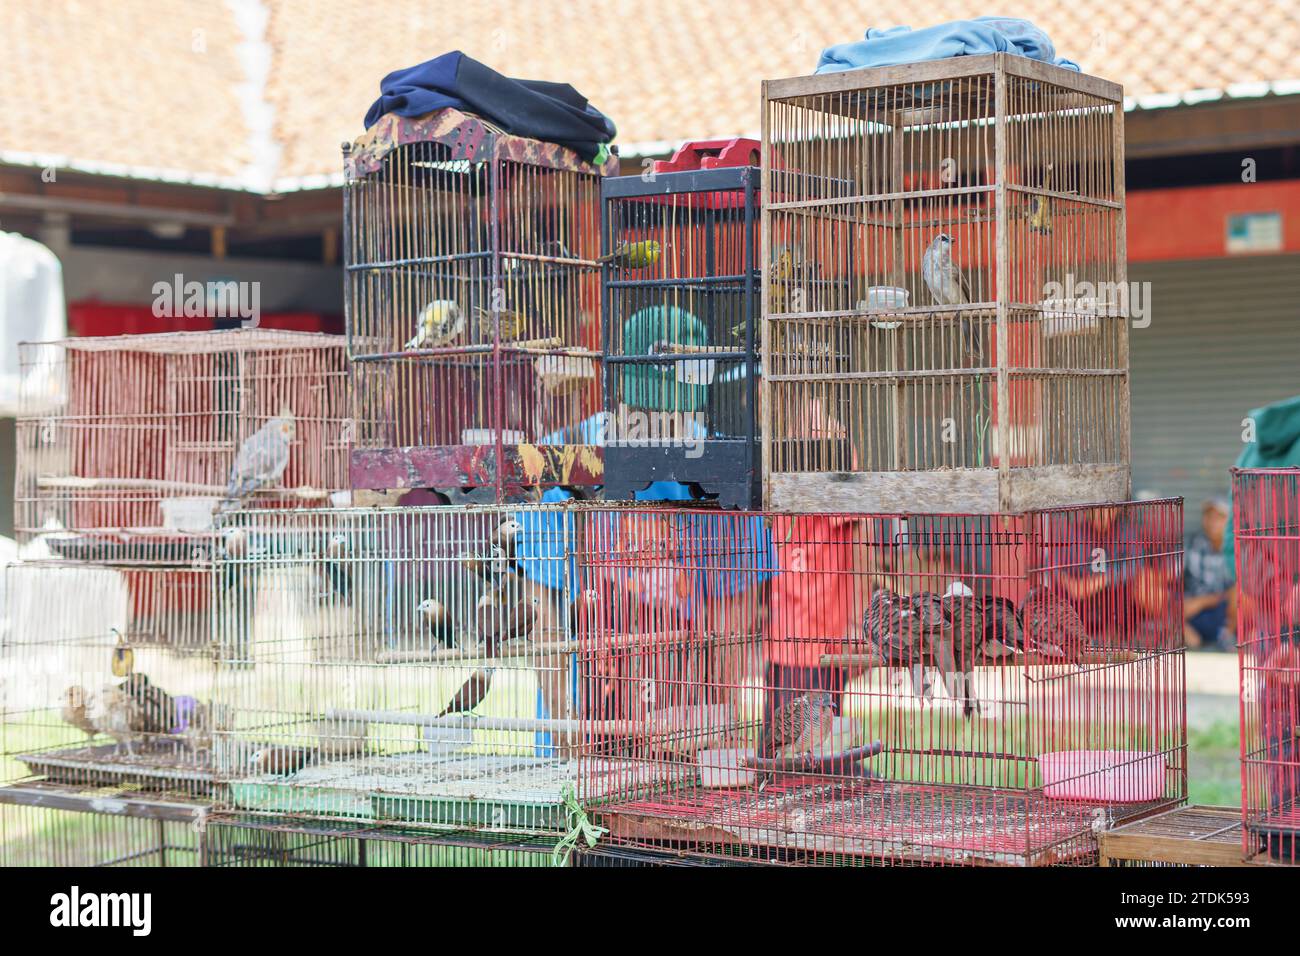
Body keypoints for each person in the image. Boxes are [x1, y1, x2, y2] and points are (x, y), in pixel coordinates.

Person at [1184, 497, 1234, 651]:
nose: (1213, 522)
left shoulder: (1239, 546)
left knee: (1242, 595)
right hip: (1194, 605)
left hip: (1227, 609)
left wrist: (1207, 600)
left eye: (1220, 517)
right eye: (1209, 516)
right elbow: (1166, 576)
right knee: (1154, 591)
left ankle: (1227, 638)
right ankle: (1185, 633)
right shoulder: (1192, 543)